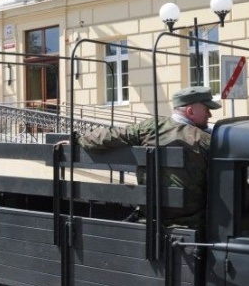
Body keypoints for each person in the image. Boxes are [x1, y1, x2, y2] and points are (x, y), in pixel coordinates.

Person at [74, 85, 220, 228]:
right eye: (207, 109)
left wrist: (77, 139)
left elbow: (110, 136)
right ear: (190, 111)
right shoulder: (205, 140)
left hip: (152, 216)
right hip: (190, 223)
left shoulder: (151, 127)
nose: (210, 114)